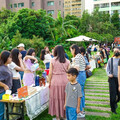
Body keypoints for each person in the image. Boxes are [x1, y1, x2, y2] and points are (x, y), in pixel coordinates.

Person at [48, 45, 70, 120]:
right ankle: (64, 116)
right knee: (65, 98)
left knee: (56, 98)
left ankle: (57, 116)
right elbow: (69, 73)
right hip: (65, 80)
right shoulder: (67, 61)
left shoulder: (52, 60)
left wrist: (49, 81)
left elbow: (50, 72)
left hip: (55, 80)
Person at [70, 44, 86, 118]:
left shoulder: (77, 57)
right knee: (81, 92)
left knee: (79, 94)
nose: (71, 52)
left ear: (73, 49)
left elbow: (77, 68)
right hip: (83, 74)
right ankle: (82, 109)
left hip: (79, 75)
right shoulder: (80, 55)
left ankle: (80, 111)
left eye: (71, 50)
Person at [106, 47, 120, 114]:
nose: (116, 52)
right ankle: (113, 109)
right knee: (112, 95)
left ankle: (116, 102)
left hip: (119, 79)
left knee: (119, 95)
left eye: (117, 51)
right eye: (115, 51)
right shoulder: (110, 59)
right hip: (112, 79)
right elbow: (107, 68)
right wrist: (109, 74)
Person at [0, 51, 13, 119]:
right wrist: (4, 85)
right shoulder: (1, 69)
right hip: (2, 92)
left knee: (6, 111)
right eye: (10, 57)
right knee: (1, 112)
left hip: (8, 91)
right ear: (6, 58)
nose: (11, 59)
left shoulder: (6, 67)